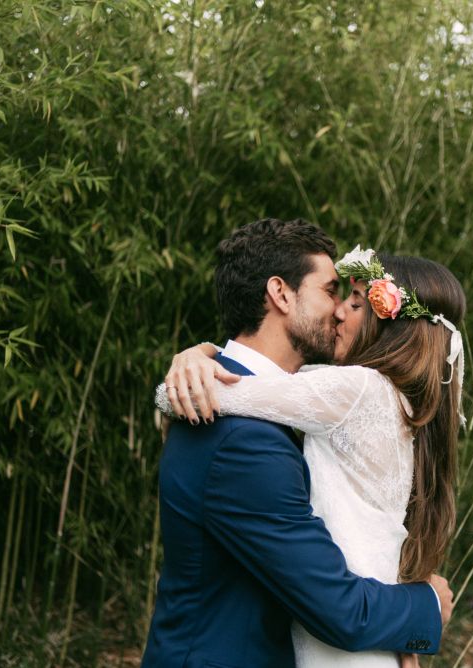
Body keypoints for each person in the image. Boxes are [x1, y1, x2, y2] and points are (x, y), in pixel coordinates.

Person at [142, 219, 452, 668]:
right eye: (330, 291)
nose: (340, 310)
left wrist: (199, 354)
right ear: (281, 294)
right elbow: (334, 607)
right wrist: (424, 606)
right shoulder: (241, 440)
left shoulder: (269, 406)